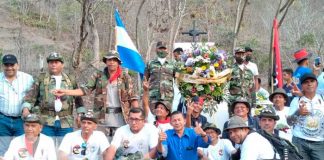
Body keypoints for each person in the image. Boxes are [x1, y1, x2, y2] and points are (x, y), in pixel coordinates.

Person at [53, 50, 139, 139]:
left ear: (118, 62)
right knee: (100, 145)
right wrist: (65, 91)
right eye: (109, 60)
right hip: (102, 118)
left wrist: (136, 116)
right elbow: (84, 90)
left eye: (114, 60)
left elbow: (133, 98)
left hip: (121, 118)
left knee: (120, 146)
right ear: (106, 62)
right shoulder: (98, 75)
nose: (111, 62)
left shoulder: (125, 77)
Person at [22, 52, 85, 141]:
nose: (53, 65)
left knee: (64, 148)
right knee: (45, 147)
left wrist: (80, 114)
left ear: (62, 64)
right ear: (48, 64)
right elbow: (31, 96)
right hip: (46, 121)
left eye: (56, 62)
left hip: (66, 121)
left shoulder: (70, 79)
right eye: (51, 62)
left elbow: (78, 98)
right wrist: (26, 109)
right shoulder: (41, 78)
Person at [0, 54, 34, 156]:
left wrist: (28, 109)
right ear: (3, 66)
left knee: (23, 149)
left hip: (22, 120)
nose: (9, 68)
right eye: (6, 65)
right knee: (3, 149)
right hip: (3, 120)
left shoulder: (28, 78)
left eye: (12, 65)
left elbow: (34, 97)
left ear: (17, 65)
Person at [287, 73, 324, 160]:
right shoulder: (296, 100)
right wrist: (298, 113)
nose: (309, 84)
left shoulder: (322, 98)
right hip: (300, 141)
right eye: (306, 82)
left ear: (317, 84)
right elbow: (289, 122)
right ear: (302, 86)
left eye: (312, 81)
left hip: (319, 143)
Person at [144, 41, 175, 115]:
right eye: (160, 49)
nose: (162, 51)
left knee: (167, 118)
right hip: (153, 96)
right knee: (153, 118)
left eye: (164, 49)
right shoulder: (150, 63)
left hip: (167, 96)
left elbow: (177, 80)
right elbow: (145, 80)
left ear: (167, 50)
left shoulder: (173, 64)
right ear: (156, 50)